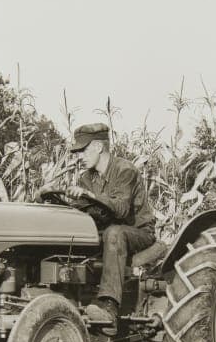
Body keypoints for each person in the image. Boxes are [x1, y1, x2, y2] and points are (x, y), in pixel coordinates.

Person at [64, 122, 155, 326]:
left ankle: (109, 306)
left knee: (114, 233)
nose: (79, 156)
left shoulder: (125, 171)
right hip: (106, 231)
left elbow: (121, 209)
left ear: (98, 146)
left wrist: (90, 196)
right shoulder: (86, 178)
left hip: (138, 233)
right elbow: (85, 211)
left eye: (83, 150)